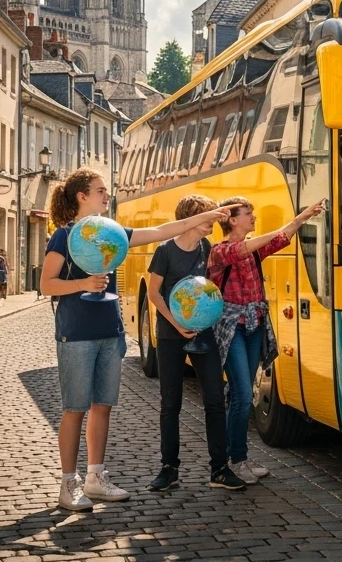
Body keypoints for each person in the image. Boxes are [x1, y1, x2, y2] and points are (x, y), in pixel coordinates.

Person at [40, 168, 229, 512]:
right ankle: (69, 483)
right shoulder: (64, 236)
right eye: (100, 191)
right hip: (76, 334)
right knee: (74, 409)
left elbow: (160, 231)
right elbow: (47, 284)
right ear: (82, 196)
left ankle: (96, 478)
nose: (106, 195)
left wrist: (206, 215)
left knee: (103, 406)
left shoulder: (113, 234)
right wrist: (82, 284)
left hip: (110, 334)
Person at [208, 196, 326, 485]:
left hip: (254, 326)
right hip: (233, 328)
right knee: (241, 396)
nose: (254, 218)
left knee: (242, 393)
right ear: (232, 220)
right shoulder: (220, 251)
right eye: (249, 214)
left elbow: (282, 237)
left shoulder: (253, 251)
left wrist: (304, 216)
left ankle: (238, 458)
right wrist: (272, 234)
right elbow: (240, 250)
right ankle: (234, 460)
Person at [146, 194, 246, 494]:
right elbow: (154, 294)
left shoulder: (205, 247)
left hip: (203, 333)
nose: (213, 221)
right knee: (170, 403)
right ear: (192, 218)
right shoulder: (165, 251)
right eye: (209, 216)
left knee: (215, 400)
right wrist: (177, 324)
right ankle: (169, 469)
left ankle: (219, 468)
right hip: (170, 336)